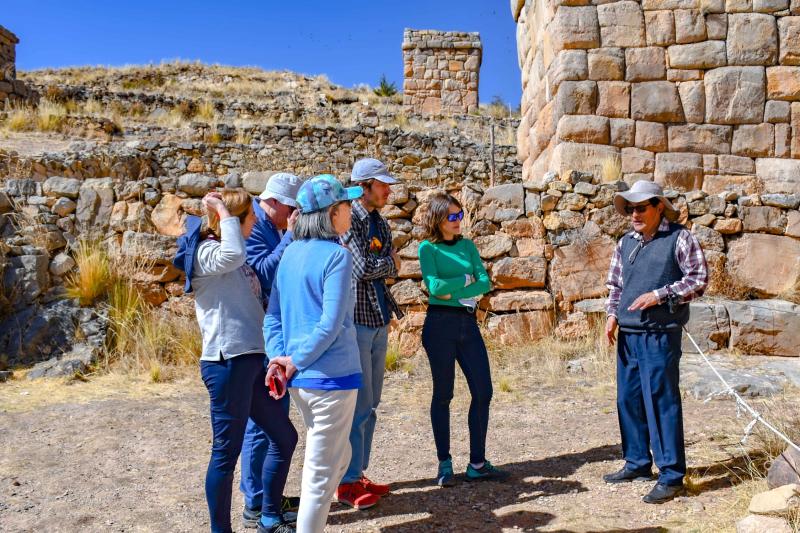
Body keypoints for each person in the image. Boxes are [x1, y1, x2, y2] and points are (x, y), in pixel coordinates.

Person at [178, 188, 298, 533]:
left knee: (284, 436)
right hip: (227, 362)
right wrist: (221, 210)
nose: (255, 223)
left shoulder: (235, 254)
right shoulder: (205, 252)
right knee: (225, 454)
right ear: (234, 220)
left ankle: (269, 517)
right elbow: (230, 251)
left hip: (251, 360)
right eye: (250, 218)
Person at [263, 174, 364, 533]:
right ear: (331, 213)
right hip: (331, 378)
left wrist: (281, 358)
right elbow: (331, 323)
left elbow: (272, 317)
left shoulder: (290, 254)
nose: (352, 210)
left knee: (340, 457)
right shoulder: (337, 255)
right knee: (320, 480)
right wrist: (291, 360)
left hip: (302, 381)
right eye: (346, 205)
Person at [603, 180, 708, 504]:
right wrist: (612, 315)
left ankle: (672, 475)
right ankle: (636, 463)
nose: (634, 213)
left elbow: (698, 279)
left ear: (658, 207)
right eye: (630, 208)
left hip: (660, 335)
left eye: (641, 207)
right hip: (629, 335)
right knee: (628, 401)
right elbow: (616, 285)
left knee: (660, 402)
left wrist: (660, 295)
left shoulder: (679, 238)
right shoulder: (625, 243)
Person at [417, 192, 510, 488]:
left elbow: (486, 282)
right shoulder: (427, 249)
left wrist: (454, 287)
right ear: (438, 219)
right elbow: (433, 288)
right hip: (439, 325)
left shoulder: (468, 246)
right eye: (452, 216)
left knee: (484, 391)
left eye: (461, 216)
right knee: (443, 394)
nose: (458, 221)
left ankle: (477, 464)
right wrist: (466, 282)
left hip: (467, 324)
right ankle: (444, 463)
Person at [337, 158, 402, 509]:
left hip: (378, 319)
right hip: (358, 322)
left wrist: (386, 265)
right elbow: (362, 268)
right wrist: (389, 263)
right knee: (359, 405)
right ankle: (346, 482)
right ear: (365, 186)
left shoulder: (379, 222)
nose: (388, 190)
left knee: (372, 404)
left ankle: (357, 473)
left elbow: (385, 268)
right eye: (383, 185)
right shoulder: (350, 220)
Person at [240, 173, 302, 529]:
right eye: (290, 208)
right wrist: (291, 236)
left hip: (270, 336)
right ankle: (255, 502)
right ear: (275, 202)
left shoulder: (271, 226)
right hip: (259, 339)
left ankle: (267, 493)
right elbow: (262, 273)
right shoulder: (259, 226)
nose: (292, 215)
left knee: (273, 420)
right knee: (261, 425)